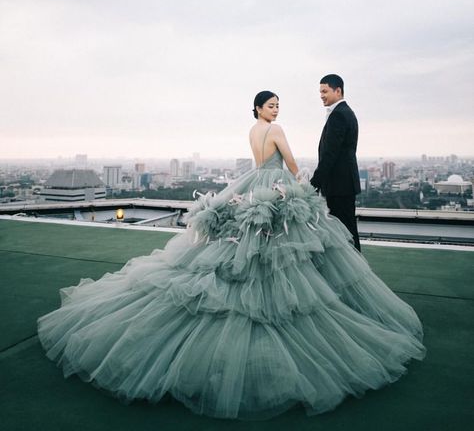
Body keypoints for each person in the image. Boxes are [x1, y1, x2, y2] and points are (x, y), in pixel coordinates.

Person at [37, 91, 425, 420]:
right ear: (259, 109)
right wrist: (300, 186)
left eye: (277, 105)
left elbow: (259, 162)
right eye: (271, 104)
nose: (276, 109)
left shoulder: (254, 131)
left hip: (250, 187)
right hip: (275, 189)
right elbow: (289, 164)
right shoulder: (275, 131)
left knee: (239, 249)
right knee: (286, 251)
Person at [310, 74, 361, 251]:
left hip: (339, 185)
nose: (321, 95)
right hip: (344, 183)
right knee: (347, 230)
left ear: (338, 90)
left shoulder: (338, 115)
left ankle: (356, 271)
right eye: (320, 92)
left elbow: (330, 154)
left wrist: (313, 184)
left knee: (345, 232)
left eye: (324, 91)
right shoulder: (346, 112)